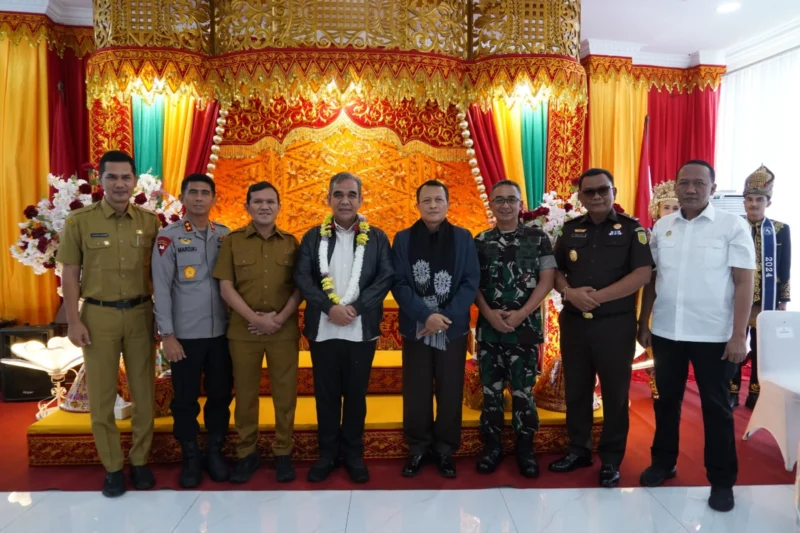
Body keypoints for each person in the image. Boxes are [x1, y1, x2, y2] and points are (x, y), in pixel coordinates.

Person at [638, 160, 755, 513]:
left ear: (712, 189)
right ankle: (663, 462)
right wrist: (644, 322)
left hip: (714, 335)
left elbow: (744, 282)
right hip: (667, 332)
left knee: (716, 408)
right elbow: (652, 279)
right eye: (684, 183)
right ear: (675, 186)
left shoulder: (731, 225)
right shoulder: (663, 227)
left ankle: (722, 481)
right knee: (665, 402)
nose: (690, 189)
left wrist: (739, 335)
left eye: (699, 184)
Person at [57, 150, 161, 497]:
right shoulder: (80, 222)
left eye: (125, 177)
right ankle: (113, 467)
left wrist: (163, 320)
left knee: (144, 392)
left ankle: (140, 461)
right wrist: (73, 321)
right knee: (102, 396)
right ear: (100, 180)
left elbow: (159, 274)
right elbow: (69, 274)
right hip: (98, 315)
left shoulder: (150, 222)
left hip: (141, 313)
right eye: (112, 177)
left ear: (135, 181)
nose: (119, 184)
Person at [549, 168, 653, 488]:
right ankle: (579, 450)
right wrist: (569, 293)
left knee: (615, 394)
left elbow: (642, 274)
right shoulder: (570, 230)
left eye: (602, 190)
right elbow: (554, 270)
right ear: (580, 196)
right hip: (575, 325)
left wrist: (596, 298)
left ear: (613, 192)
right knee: (576, 390)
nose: (596, 196)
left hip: (615, 326)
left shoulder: (632, 230)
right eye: (589, 192)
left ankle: (610, 459)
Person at [294, 172, 394, 483]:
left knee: (355, 395)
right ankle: (326, 454)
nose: (345, 200)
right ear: (328, 199)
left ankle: (353, 454)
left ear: (361, 200)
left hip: (360, 330)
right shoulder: (313, 237)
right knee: (325, 395)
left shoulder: (377, 238)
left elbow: (385, 277)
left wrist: (356, 308)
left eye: (351, 195)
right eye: (338, 194)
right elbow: (302, 278)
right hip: (324, 330)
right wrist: (329, 308)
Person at [212, 182, 302, 484]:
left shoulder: (291, 243)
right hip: (244, 331)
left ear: (279, 207)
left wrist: (279, 318)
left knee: (285, 394)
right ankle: (246, 452)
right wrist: (255, 319)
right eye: (258, 201)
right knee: (246, 394)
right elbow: (225, 287)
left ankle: (283, 451)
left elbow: (300, 287)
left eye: (270, 202)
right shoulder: (232, 241)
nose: (264, 206)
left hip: (282, 330)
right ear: (247, 206)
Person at [391, 180, 479, 478]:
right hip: (417, 327)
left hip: (451, 329)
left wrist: (445, 317)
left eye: (438, 200)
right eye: (426, 200)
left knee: (450, 389)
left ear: (448, 204)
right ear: (417, 205)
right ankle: (417, 447)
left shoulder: (463, 238)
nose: (432, 205)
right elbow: (399, 282)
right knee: (416, 390)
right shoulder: (403, 239)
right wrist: (424, 315)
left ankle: (444, 449)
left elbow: (470, 281)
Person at [151, 174, 232, 488]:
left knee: (220, 396)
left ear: (214, 198)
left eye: (205, 193)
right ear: (183, 198)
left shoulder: (225, 235)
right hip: (184, 337)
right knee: (185, 400)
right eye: (193, 192)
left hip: (221, 335)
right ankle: (191, 458)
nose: (199, 198)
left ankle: (214, 453)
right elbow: (161, 288)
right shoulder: (168, 237)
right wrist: (167, 335)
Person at [473, 180, 555, 478]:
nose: (505, 205)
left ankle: (525, 449)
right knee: (491, 392)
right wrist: (488, 314)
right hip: (490, 330)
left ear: (521, 204)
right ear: (491, 204)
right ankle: (492, 447)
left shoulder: (538, 238)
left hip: (525, 329)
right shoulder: (480, 241)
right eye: (499, 199)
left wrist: (521, 314)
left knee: (523, 391)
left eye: (511, 199)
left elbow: (547, 280)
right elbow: (472, 283)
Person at [729, 165, 791, 409]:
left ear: (768, 203)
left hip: (766, 299)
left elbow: (785, 267)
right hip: (735, 298)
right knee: (734, 342)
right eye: (750, 199)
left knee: (761, 348)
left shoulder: (780, 230)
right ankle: (732, 390)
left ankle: (755, 391)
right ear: (744, 202)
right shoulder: (734, 226)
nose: (754, 204)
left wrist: (783, 302)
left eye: (759, 200)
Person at [644, 180, 680, 400]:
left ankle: (667, 379)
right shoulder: (645, 234)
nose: (671, 212)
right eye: (666, 207)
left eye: (675, 208)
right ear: (656, 209)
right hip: (648, 293)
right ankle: (654, 379)